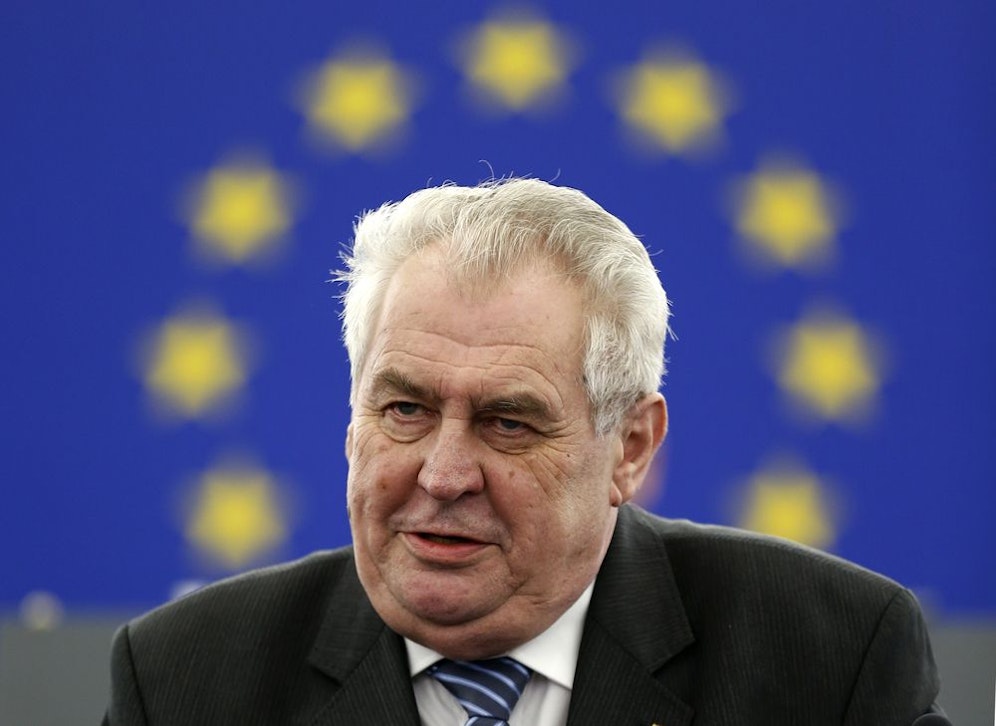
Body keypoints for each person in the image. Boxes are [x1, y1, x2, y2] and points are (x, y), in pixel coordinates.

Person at [102, 178, 942, 725]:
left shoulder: (828, 661)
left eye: (508, 423)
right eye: (404, 409)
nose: (442, 475)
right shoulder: (184, 681)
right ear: (353, 419)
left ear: (631, 448)